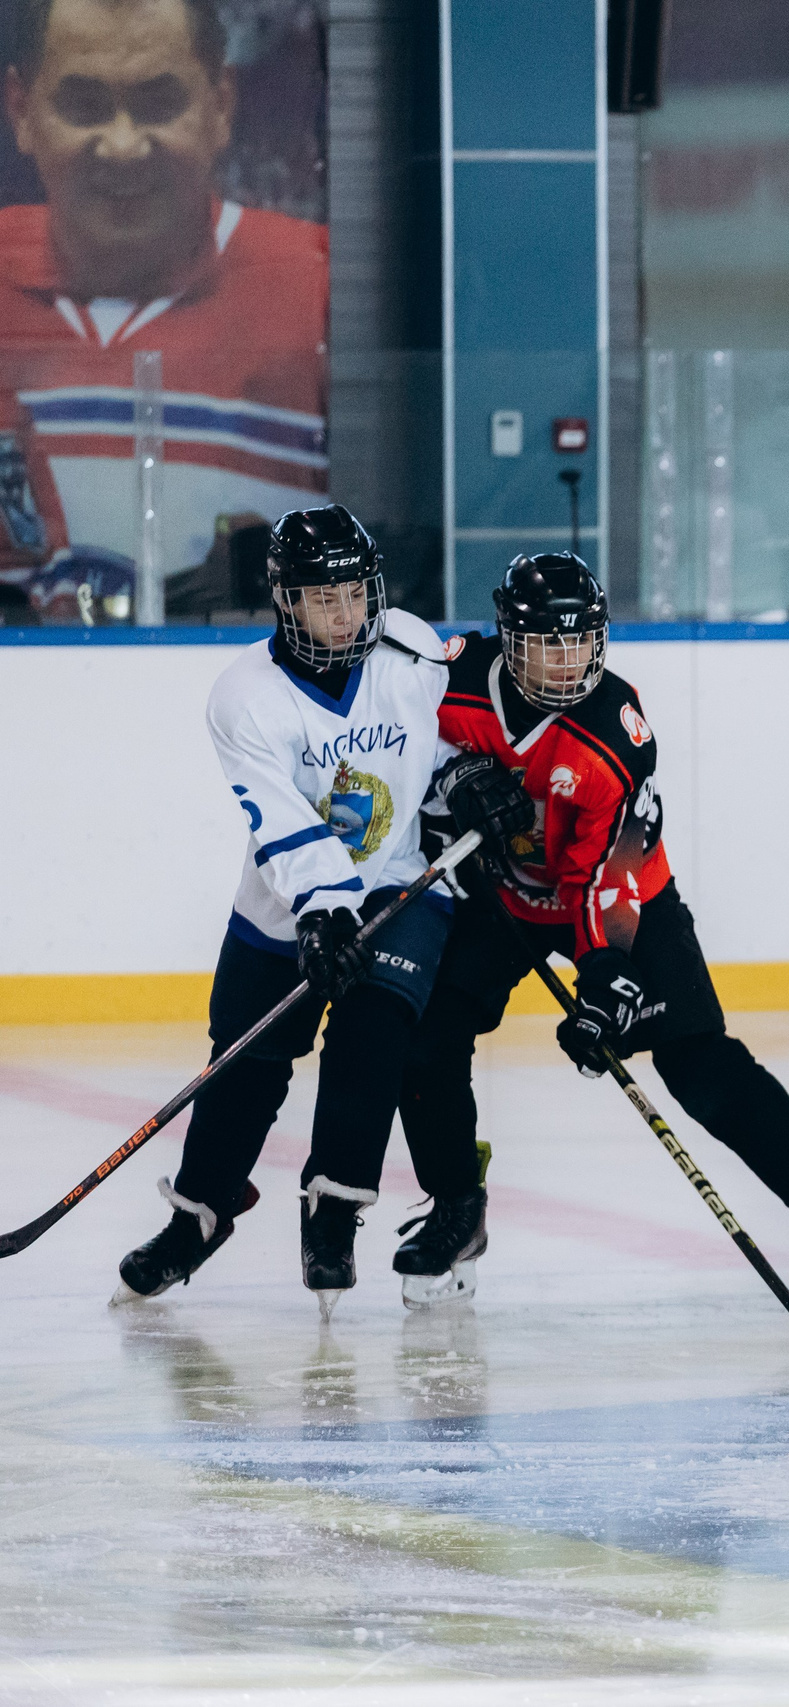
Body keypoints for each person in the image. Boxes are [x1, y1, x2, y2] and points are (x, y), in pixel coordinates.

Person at [392, 554, 789, 1311]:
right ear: (506, 638)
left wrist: (603, 983)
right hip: (503, 898)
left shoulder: (614, 733)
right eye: (546, 645)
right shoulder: (449, 681)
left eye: (581, 643)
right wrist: (452, 776)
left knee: (702, 1066)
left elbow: (608, 876)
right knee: (423, 1037)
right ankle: (457, 1204)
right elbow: (392, 742)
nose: (567, 663)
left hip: (622, 894)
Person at [111, 506, 485, 1315]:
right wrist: (320, 910)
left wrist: (468, 781)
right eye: (325, 598)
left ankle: (336, 1208)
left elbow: (459, 733)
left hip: (400, 884)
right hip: (286, 904)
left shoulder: (411, 649)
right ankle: (199, 1216)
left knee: (374, 1031)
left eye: (357, 593)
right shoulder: (245, 697)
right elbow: (278, 817)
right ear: (285, 600)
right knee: (243, 1063)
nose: (347, 613)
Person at [0, 0, 327, 596]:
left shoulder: (318, 285)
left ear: (221, 105)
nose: (122, 145)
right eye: (83, 105)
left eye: (158, 103)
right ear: (20, 109)